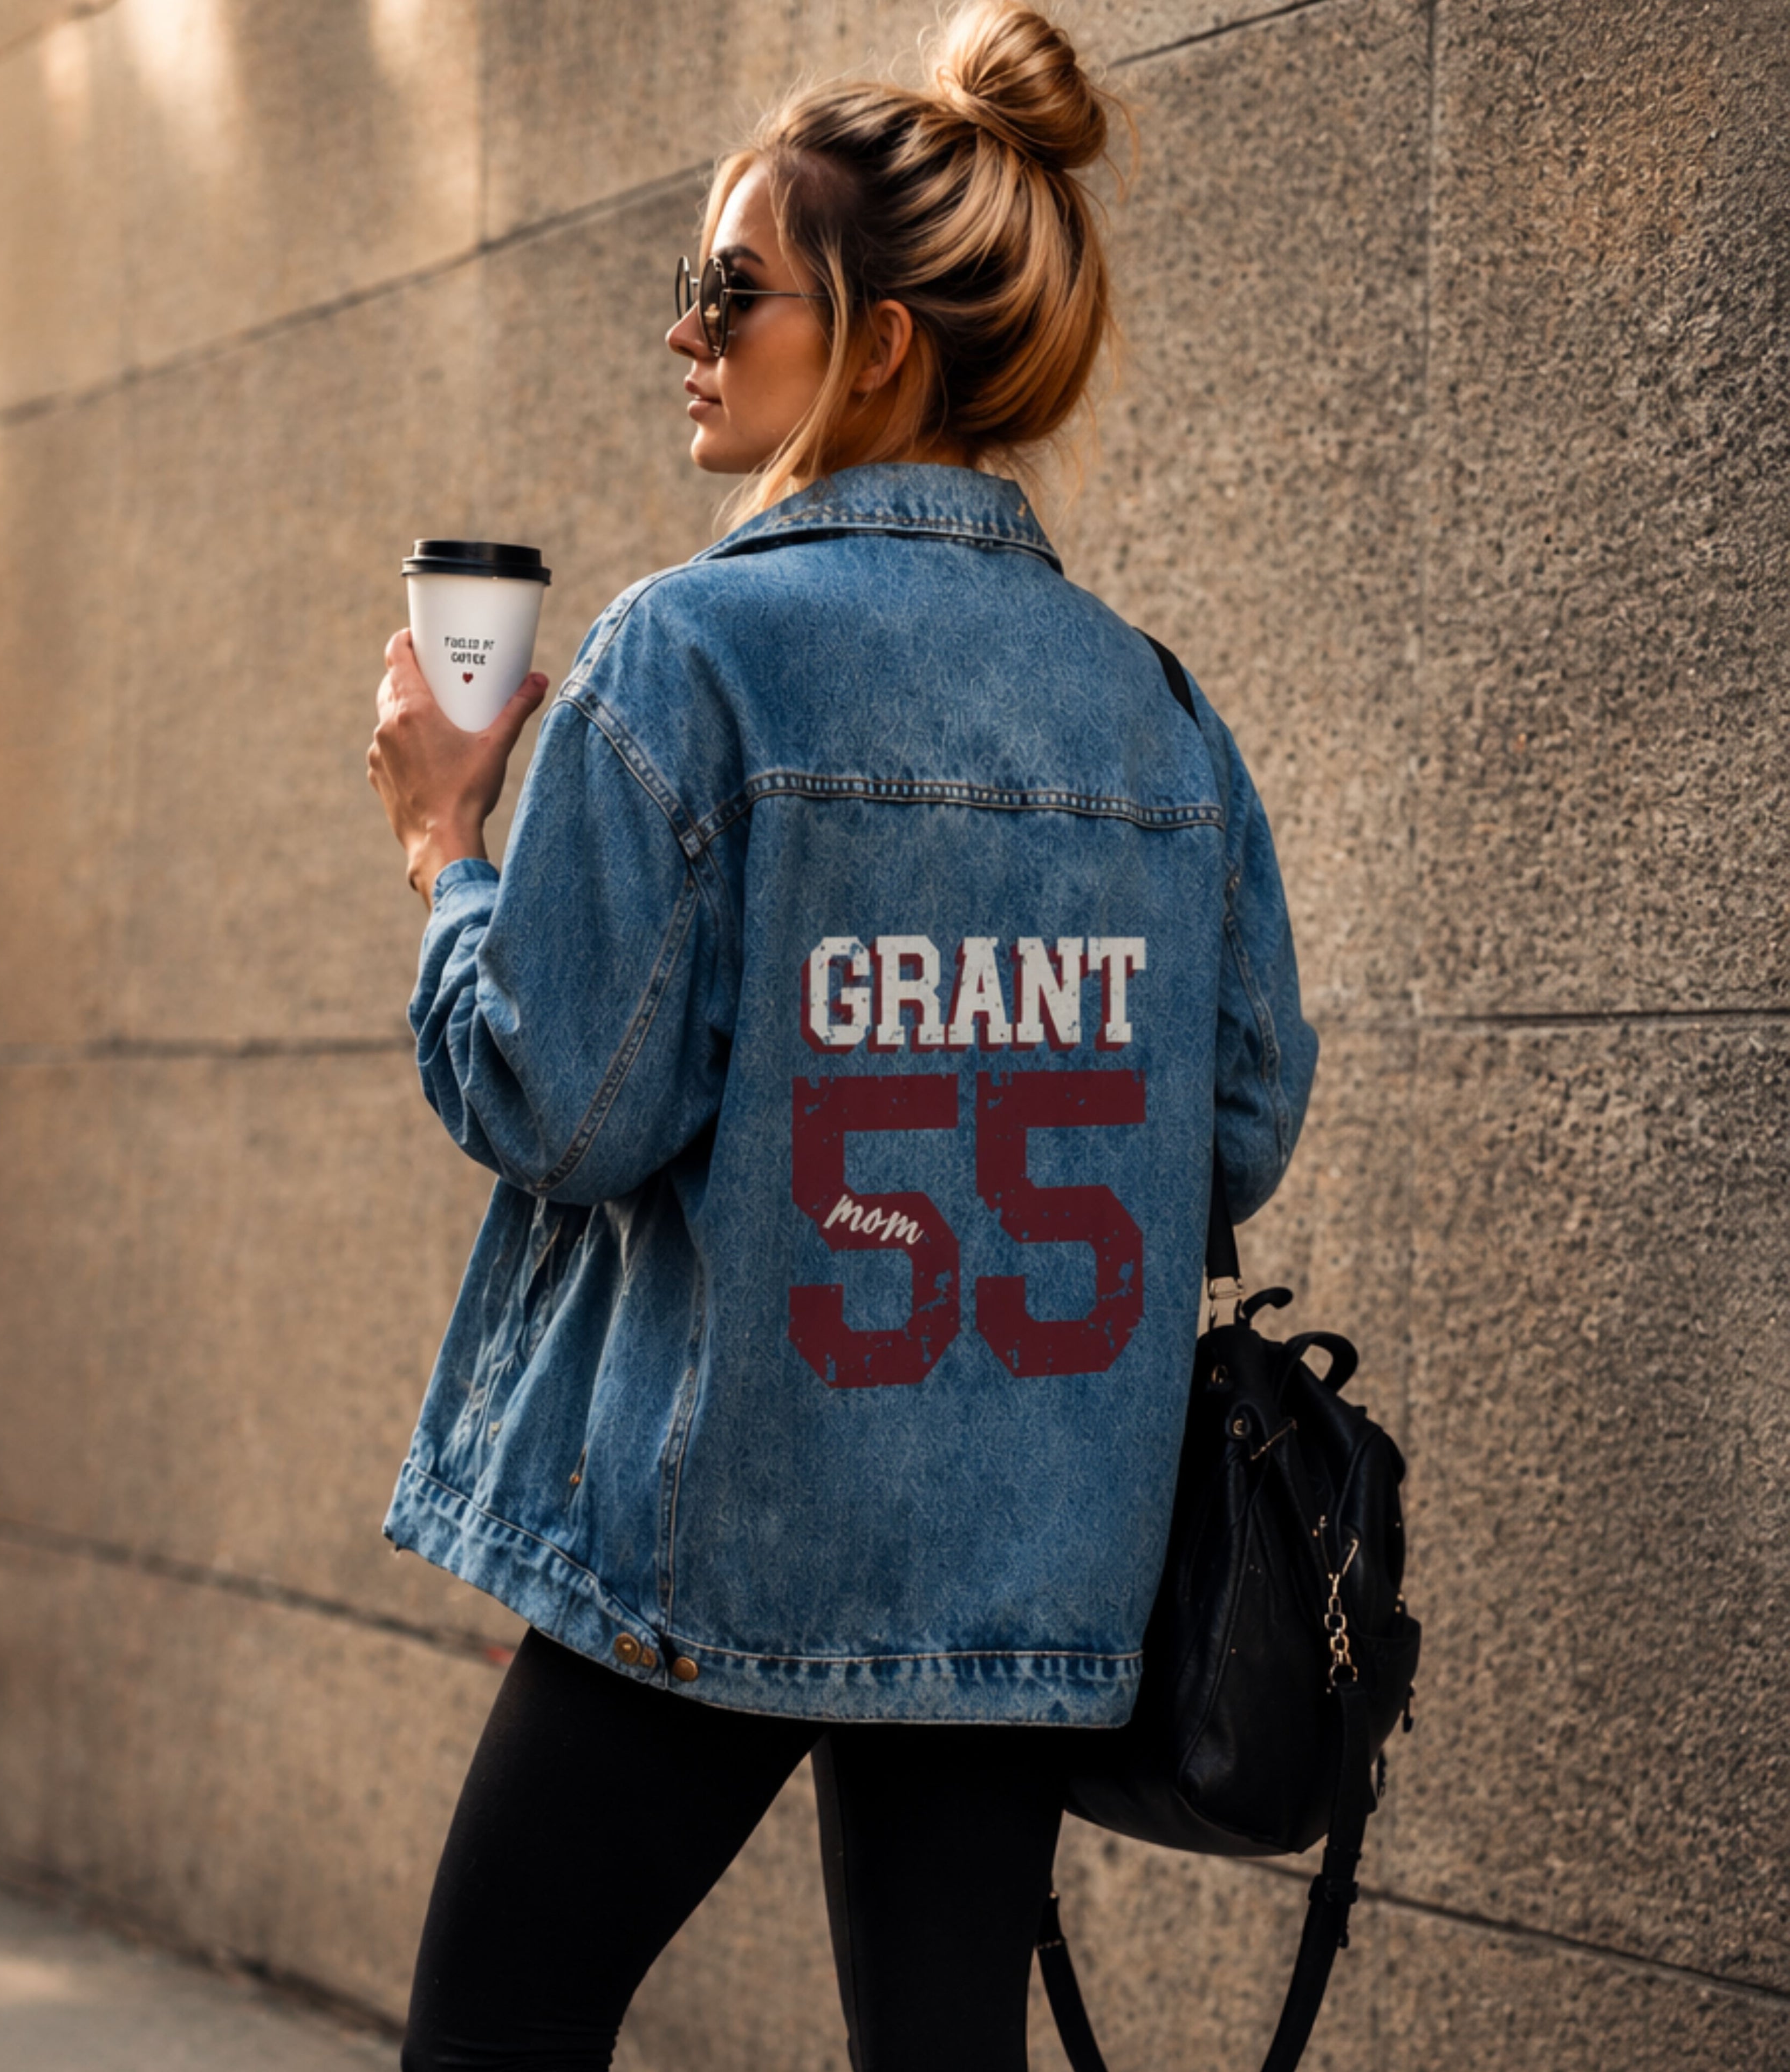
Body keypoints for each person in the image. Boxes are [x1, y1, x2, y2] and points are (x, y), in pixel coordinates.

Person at [364, 5, 1316, 2067]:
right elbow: (1235, 1128)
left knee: (495, 2030)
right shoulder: (1158, 711)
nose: (687, 332)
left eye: (732, 290)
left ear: (879, 344)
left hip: (718, 1525)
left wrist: (449, 849)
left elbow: (550, 1098)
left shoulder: (688, 655)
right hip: (1025, 1558)